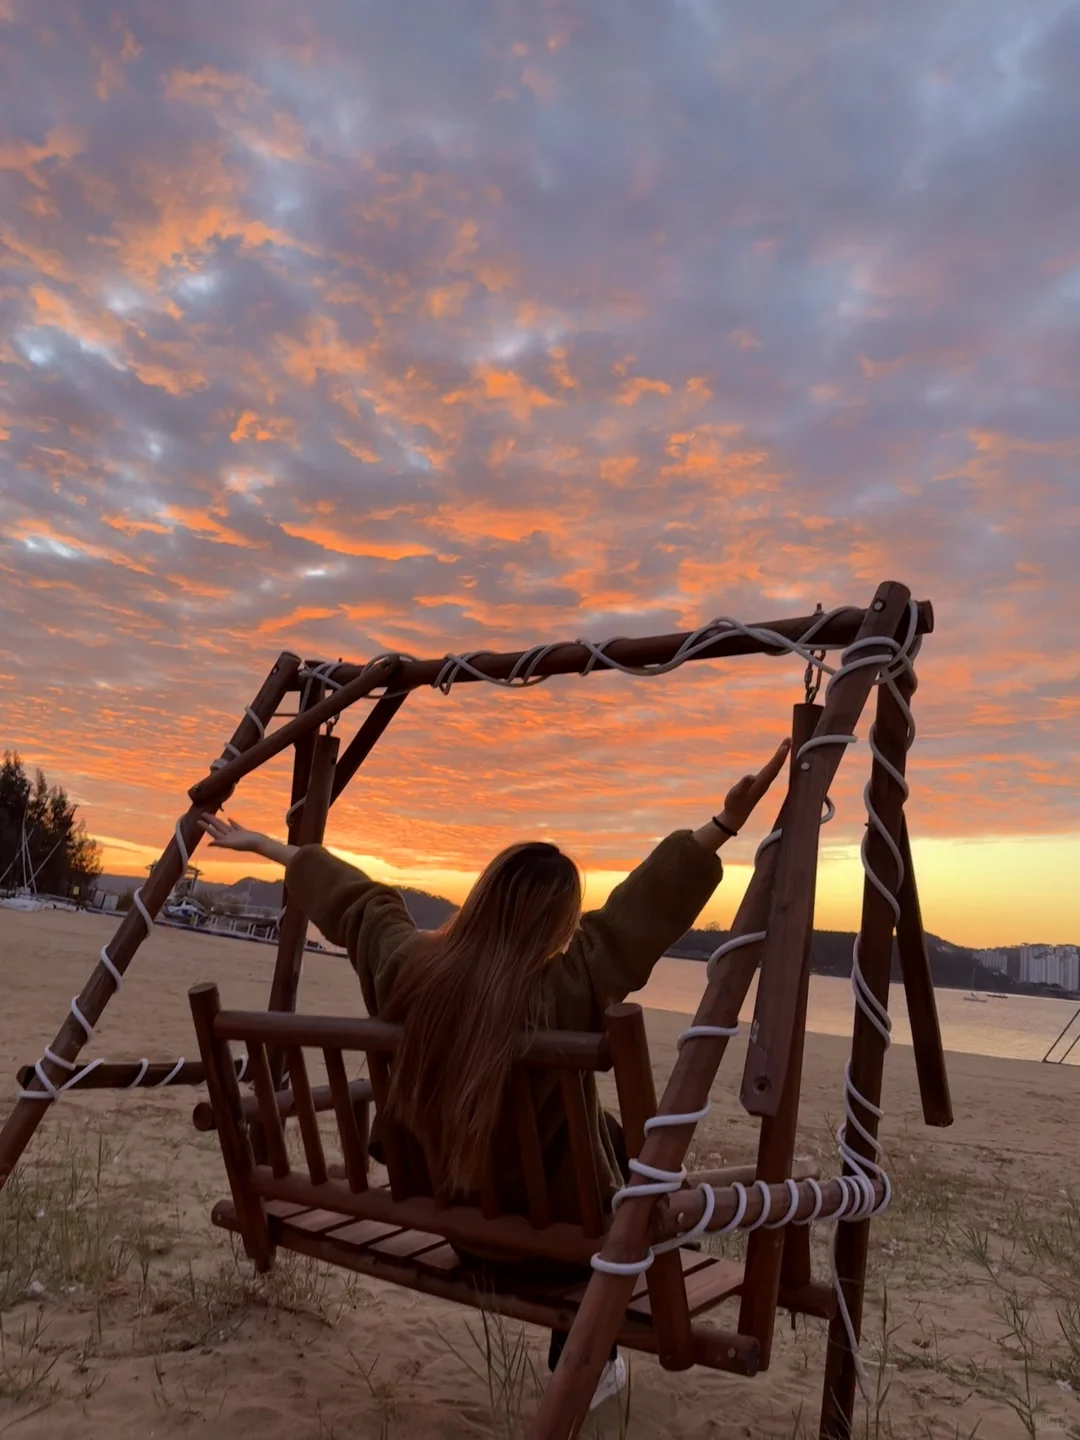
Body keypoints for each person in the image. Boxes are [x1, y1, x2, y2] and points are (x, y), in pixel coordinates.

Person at [198, 735, 789, 1410]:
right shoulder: (567, 986)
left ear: (479, 900)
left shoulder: (406, 969)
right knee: (641, 1172)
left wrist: (270, 849)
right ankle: (584, 1350)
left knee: (613, 1135)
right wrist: (726, 821)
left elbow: (359, 904)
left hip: (460, 1225)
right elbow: (635, 918)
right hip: (571, 1249)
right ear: (559, 923)